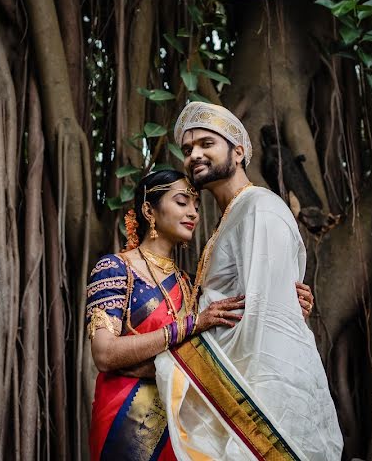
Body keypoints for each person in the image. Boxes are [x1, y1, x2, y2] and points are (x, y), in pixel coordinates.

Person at [154, 102, 343, 460]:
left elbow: (267, 325)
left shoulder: (259, 208)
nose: (194, 155)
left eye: (207, 144)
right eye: (188, 149)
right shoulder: (232, 217)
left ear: (238, 153)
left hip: (258, 406)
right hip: (235, 399)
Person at [86, 169, 315, 460]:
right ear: (148, 210)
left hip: (183, 420)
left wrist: (284, 305)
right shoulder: (116, 269)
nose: (193, 212)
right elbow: (105, 354)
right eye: (182, 202)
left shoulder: (193, 285)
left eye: (195, 205)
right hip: (127, 419)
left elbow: (234, 343)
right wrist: (190, 325)